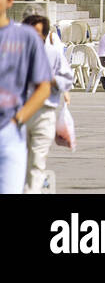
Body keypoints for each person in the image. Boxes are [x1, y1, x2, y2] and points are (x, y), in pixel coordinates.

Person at [0, 0, 52, 195]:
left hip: (8, 131)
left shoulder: (26, 38)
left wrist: (17, 120)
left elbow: (44, 86)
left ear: (10, 0)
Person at [20, 14, 71, 194]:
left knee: (37, 160)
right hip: (18, 114)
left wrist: (52, 80)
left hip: (44, 112)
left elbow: (67, 79)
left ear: (44, 34)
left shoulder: (53, 54)